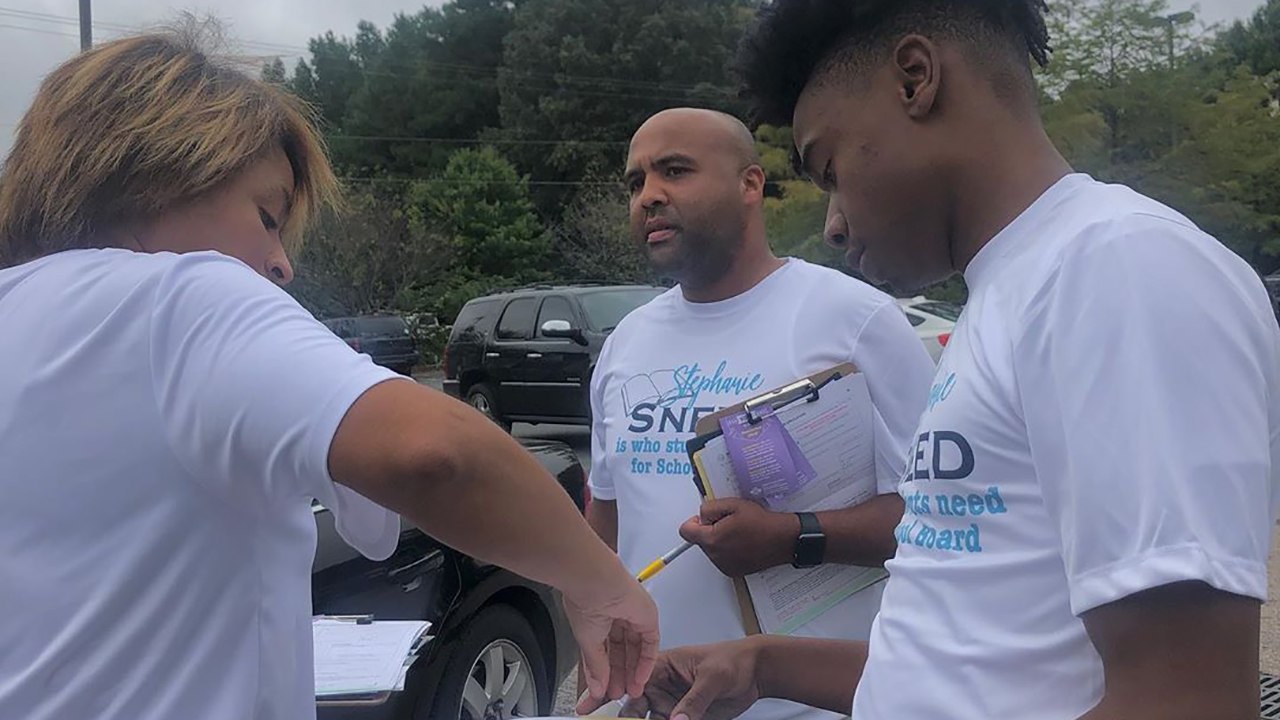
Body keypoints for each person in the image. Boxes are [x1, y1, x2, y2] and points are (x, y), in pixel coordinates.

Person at [595, 1, 1280, 719]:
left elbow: (1184, 699)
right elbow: (965, 660)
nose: (830, 224)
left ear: (916, 79)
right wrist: (763, 666)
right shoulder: (1009, 294)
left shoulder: (1116, 270)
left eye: (830, 168)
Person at [0, 28, 656, 720]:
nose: (283, 263)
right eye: (267, 216)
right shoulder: (180, 297)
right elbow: (436, 455)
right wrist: (599, 584)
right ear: (161, 174)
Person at [581, 107, 934, 720]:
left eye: (675, 171)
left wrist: (792, 537)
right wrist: (591, 613)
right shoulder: (625, 343)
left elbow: (942, 521)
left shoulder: (854, 320)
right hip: (659, 703)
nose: (649, 197)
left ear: (750, 184)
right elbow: (606, 515)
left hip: (817, 707)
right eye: (635, 182)